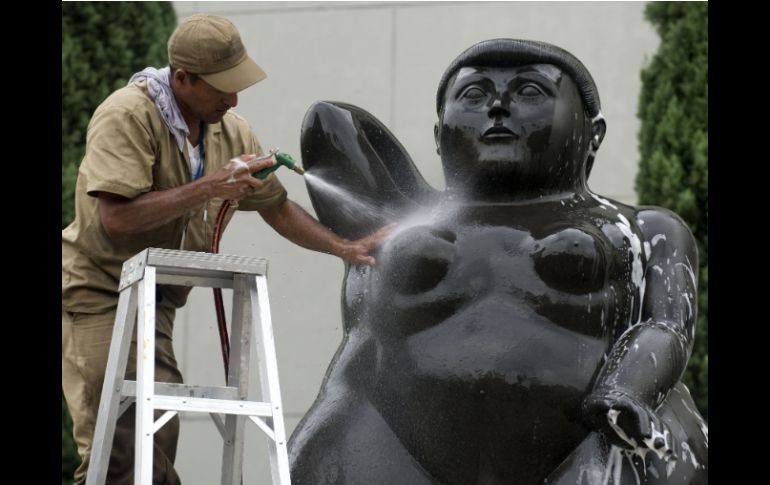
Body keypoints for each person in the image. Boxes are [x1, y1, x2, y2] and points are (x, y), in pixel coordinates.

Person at [288, 39, 708, 484]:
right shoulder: (396, 217)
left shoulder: (645, 229)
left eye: (530, 92)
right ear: (437, 134)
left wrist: (628, 390)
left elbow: (666, 327)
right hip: (384, 440)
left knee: (658, 449)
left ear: (594, 133)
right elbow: (329, 122)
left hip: (590, 443)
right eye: (473, 95)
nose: (498, 107)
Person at [61, 14, 391, 485]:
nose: (232, 99)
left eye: (237, 86)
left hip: (154, 302)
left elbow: (277, 208)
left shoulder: (231, 131)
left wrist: (345, 247)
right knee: (115, 443)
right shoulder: (127, 116)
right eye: (220, 88)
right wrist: (209, 186)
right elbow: (117, 219)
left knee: (156, 426)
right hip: (97, 293)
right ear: (181, 78)